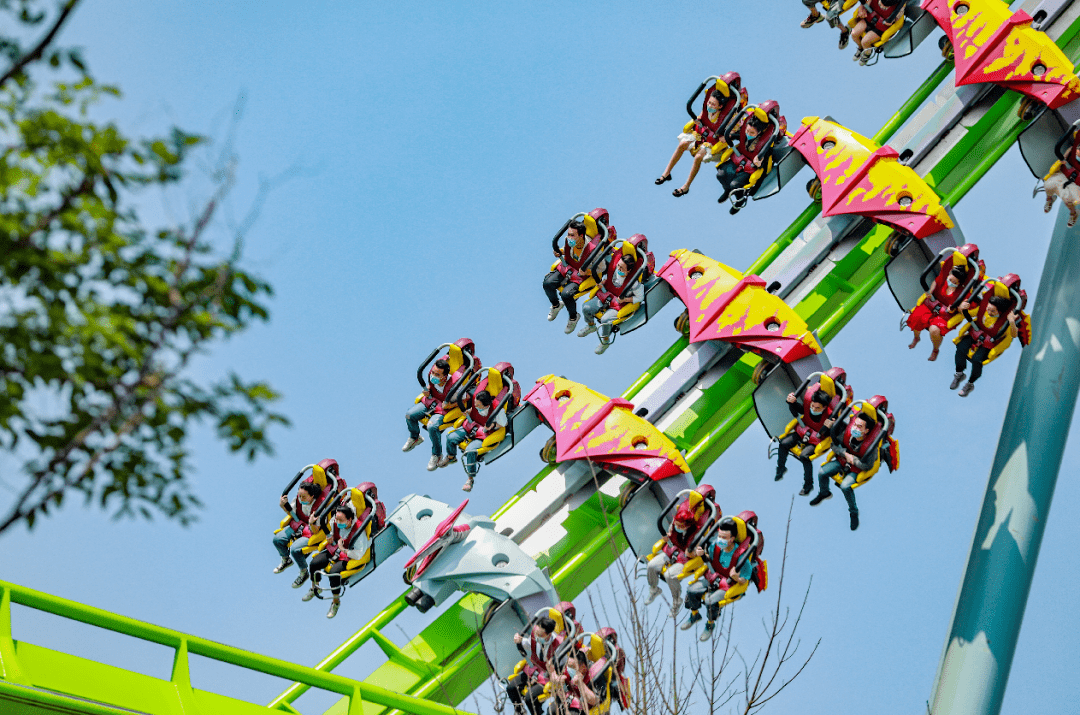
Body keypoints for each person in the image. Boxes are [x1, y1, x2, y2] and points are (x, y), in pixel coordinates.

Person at [656, 85, 739, 198]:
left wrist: (727, 136)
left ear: (720, 106)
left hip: (713, 143)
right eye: (709, 103)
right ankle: (666, 173)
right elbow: (702, 117)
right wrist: (698, 120)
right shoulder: (707, 110)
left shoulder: (729, 116)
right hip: (701, 135)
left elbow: (736, 130)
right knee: (682, 144)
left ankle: (686, 186)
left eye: (713, 105)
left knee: (698, 157)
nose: (709, 106)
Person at [682, 518, 754, 641]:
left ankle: (710, 624)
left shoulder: (740, 556)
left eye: (724, 537)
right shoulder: (716, 545)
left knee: (710, 601)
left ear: (732, 539)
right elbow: (710, 557)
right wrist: (701, 554)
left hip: (727, 584)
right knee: (691, 590)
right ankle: (695, 615)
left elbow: (745, 579)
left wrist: (737, 578)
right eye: (720, 535)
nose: (720, 539)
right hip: (713, 576)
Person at [809, 412, 877, 530]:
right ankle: (824, 492)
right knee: (822, 472)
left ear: (866, 431)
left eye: (859, 427)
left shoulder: (870, 447)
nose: (855, 428)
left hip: (856, 469)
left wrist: (854, 460)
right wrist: (845, 454)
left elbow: (867, 466)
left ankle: (853, 512)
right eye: (855, 425)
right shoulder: (846, 435)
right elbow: (834, 446)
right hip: (842, 460)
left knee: (845, 486)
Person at [302, 505, 373, 618]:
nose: (337, 521)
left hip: (348, 555)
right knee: (314, 563)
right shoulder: (334, 521)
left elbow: (359, 554)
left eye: (341, 520)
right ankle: (315, 587)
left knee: (333, 574)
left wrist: (343, 549)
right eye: (337, 519)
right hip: (334, 549)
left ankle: (336, 602)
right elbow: (326, 530)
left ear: (349, 520)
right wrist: (327, 536)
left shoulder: (359, 533)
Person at [644, 502, 708, 616]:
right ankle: (654, 589)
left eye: (681, 526)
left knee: (669, 575)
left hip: (685, 559)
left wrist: (691, 553)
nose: (677, 527)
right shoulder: (674, 526)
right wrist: (667, 536)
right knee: (651, 565)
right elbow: (671, 534)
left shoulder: (697, 535)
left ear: (688, 525)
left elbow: (698, 553)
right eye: (677, 524)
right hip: (672, 550)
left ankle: (677, 600)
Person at [543, 220, 606, 335]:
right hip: (567, 267)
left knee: (566, 294)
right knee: (547, 283)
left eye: (572, 235)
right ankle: (556, 305)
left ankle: (573, 317)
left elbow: (602, 268)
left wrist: (587, 271)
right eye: (568, 234)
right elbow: (567, 250)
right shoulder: (569, 241)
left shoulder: (593, 250)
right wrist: (560, 251)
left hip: (580, 276)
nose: (569, 237)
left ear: (581, 236)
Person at [951, 296, 1020, 397]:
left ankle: (970, 384)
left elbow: (1013, 335)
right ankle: (959, 373)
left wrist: (1012, 322)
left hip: (988, 343)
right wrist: (962, 307)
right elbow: (968, 313)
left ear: (1000, 312)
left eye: (992, 311)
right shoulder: (983, 310)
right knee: (961, 348)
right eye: (988, 308)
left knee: (976, 360)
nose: (989, 312)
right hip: (975, 334)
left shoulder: (1004, 323)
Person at [578, 254, 645, 355]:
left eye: (621, 268)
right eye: (618, 265)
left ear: (629, 271)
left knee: (605, 320)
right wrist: (603, 283)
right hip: (607, 296)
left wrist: (626, 299)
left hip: (618, 304)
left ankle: (605, 340)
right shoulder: (613, 271)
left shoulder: (634, 284)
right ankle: (591, 326)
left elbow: (640, 297)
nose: (618, 268)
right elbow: (607, 277)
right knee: (586, 307)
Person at [774, 389, 836, 496]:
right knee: (783, 443)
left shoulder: (830, 416)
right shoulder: (809, 406)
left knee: (804, 456)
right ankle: (781, 468)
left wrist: (831, 427)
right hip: (802, 431)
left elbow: (835, 434)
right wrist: (792, 402)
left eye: (817, 408)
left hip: (816, 440)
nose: (813, 409)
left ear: (824, 407)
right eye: (812, 406)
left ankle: (808, 485)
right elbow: (801, 409)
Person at [907, 266, 969, 361]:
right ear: (948, 275)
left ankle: (935, 349)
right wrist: (930, 292)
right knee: (916, 317)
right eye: (950, 280)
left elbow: (962, 306)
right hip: (932, 304)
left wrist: (958, 307)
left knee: (934, 330)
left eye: (954, 283)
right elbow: (935, 282)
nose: (951, 283)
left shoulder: (961, 293)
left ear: (959, 283)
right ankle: (916, 337)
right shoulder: (942, 279)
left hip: (945, 315)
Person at [404, 358, 456, 471]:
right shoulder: (432, 378)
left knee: (432, 426)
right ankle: (415, 437)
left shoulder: (454, 386)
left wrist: (450, 405)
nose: (433, 375)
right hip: (431, 400)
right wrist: (427, 391)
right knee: (409, 415)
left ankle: (437, 455)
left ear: (445, 376)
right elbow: (431, 387)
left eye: (437, 374)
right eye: (433, 372)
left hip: (444, 408)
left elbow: (466, 398)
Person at [507, 616, 561, 715]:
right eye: (536, 632)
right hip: (534, 670)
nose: (536, 636)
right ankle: (519, 711)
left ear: (548, 635)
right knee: (511, 688)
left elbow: (560, 668)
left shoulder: (556, 647)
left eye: (540, 635)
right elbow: (528, 644)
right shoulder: (535, 635)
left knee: (529, 697)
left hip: (547, 677)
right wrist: (520, 641)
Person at [272, 480, 323, 582]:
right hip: (298, 524)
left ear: (312, 496)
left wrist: (312, 522)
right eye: (299, 495)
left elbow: (317, 530)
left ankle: (304, 572)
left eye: (303, 497)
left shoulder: (319, 508)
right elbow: (292, 513)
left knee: (295, 549)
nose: (300, 499)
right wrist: (283, 505)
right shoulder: (298, 501)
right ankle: (286, 560)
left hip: (311, 532)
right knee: (277, 540)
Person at [1042, 125, 1080, 227]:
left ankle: (1074, 213)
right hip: (1065, 173)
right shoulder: (1075, 148)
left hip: (1076, 183)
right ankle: (1050, 198)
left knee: (1067, 197)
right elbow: (1072, 149)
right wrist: (1064, 158)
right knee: (1048, 185)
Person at [848, 0, 905, 65]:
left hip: (880, 27)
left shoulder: (900, 7)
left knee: (864, 42)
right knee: (854, 34)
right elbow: (864, 4)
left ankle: (867, 53)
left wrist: (891, 22)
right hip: (868, 17)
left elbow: (896, 22)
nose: (882, 7)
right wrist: (862, 8)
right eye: (881, 4)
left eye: (885, 7)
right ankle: (860, 48)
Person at [547, 650, 601, 715]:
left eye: (572, 667)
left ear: (583, 667)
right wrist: (558, 685)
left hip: (585, 708)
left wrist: (580, 684)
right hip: (570, 701)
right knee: (551, 710)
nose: (569, 669)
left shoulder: (594, 676)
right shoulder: (567, 671)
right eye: (568, 666)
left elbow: (595, 701)